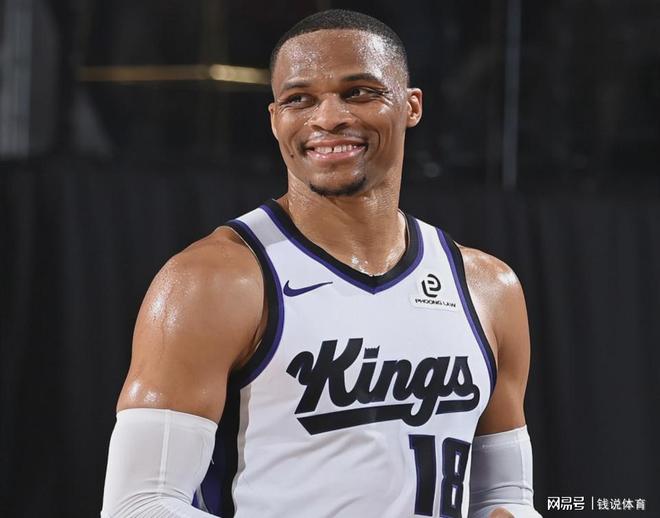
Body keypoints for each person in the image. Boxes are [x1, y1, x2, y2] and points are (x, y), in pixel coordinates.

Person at [101, 9, 542, 518]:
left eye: (359, 92)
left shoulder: (488, 287)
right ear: (275, 119)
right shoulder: (211, 281)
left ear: (411, 105)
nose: (328, 117)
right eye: (300, 99)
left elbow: (506, 498)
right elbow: (138, 504)